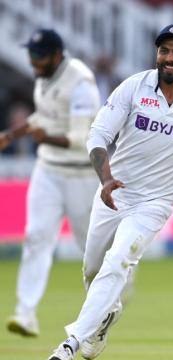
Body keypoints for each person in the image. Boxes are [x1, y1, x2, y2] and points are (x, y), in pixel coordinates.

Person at [44, 24, 173, 360]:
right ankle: (105, 316)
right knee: (92, 270)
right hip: (114, 193)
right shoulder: (134, 86)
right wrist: (105, 179)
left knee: (119, 260)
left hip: (154, 204)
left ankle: (68, 344)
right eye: (164, 50)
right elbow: (98, 135)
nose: (169, 58)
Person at [1, 29, 101, 337]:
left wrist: (48, 138)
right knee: (36, 237)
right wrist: (11, 135)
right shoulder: (44, 76)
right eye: (31, 55)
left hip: (80, 174)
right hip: (48, 170)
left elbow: (81, 138)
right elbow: (43, 117)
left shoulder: (81, 83)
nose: (33, 62)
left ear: (57, 55)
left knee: (91, 251)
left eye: (38, 56)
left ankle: (103, 309)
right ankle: (25, 313)